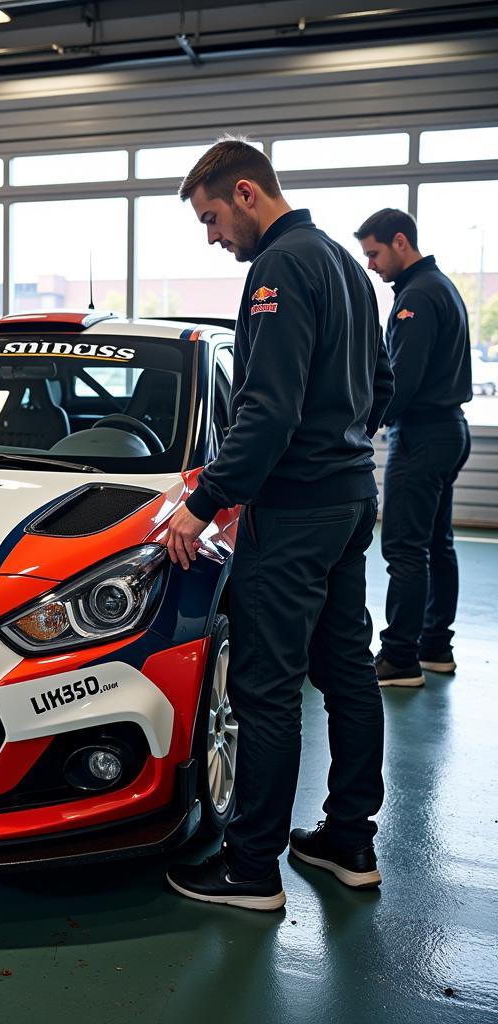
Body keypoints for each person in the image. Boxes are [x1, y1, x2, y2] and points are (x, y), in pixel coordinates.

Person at [161, 139, 394, 911]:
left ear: (249, 194)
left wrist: (204, 500)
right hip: (349, 497)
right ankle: (349, 840)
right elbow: (380, 385)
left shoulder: (282, 266)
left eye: (213, 217)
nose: (213, 236)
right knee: (346, 670)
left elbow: (266, 408)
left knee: (265, 688)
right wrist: (341, 448)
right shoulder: (347, 267)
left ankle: (251, 866)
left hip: (294, 511)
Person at [356, 209, 472, 688]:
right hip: (447, 430)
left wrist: (360, 428)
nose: (371, 265)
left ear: (400, 242)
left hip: (422, 434)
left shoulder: (417, 297)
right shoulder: (438, 286)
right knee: (435, 544)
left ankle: (400, 657)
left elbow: (401, 380)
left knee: (405, 547)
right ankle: (434, 646)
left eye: (375, 253)